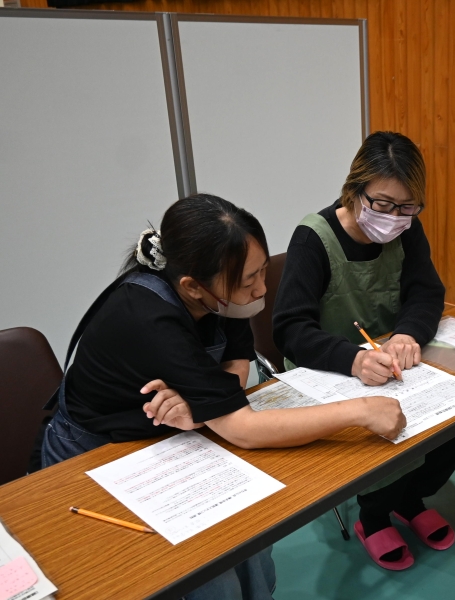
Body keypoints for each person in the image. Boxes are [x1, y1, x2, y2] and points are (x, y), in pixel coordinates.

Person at [42, 194, 405, 600]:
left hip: (170, 436)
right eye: (248, 282)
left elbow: (237, 363)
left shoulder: (220, 295)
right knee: (206, 579)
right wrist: (361, 411)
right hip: (98, 451)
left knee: (251, 546)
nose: (261, 289)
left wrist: (202, 406)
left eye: (262, 272)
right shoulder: (150, 317)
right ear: (192, 287)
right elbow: (243, 428)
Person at [273, 131, 455, 570]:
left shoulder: (407, 228)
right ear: (355, 190)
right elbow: (290, 329)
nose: (395, 217)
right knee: (379, 432)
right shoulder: (313, 238)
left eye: (408, 206)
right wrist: (353, 359)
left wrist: (407, 334)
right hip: (327, 370)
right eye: (383, 204)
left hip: (391, 361)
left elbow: (426, 292)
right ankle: (374, 515)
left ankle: (407, 498)